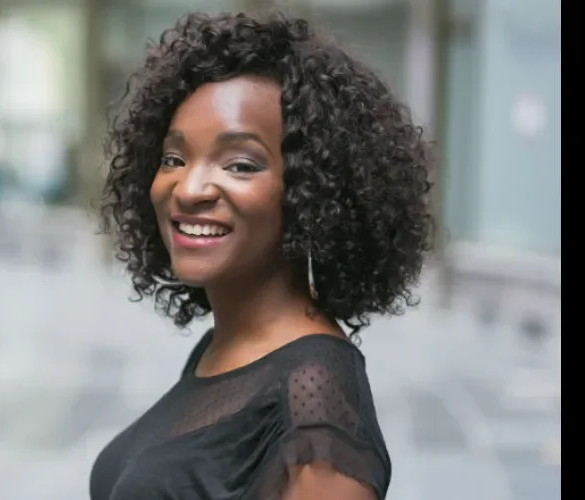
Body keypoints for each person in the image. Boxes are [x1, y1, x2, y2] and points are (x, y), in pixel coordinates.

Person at [92, 10, 434, 500]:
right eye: (174, 158)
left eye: (241, 163)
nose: (189, 188)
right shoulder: (219, 350)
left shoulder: (314, 400)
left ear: (309, 191)